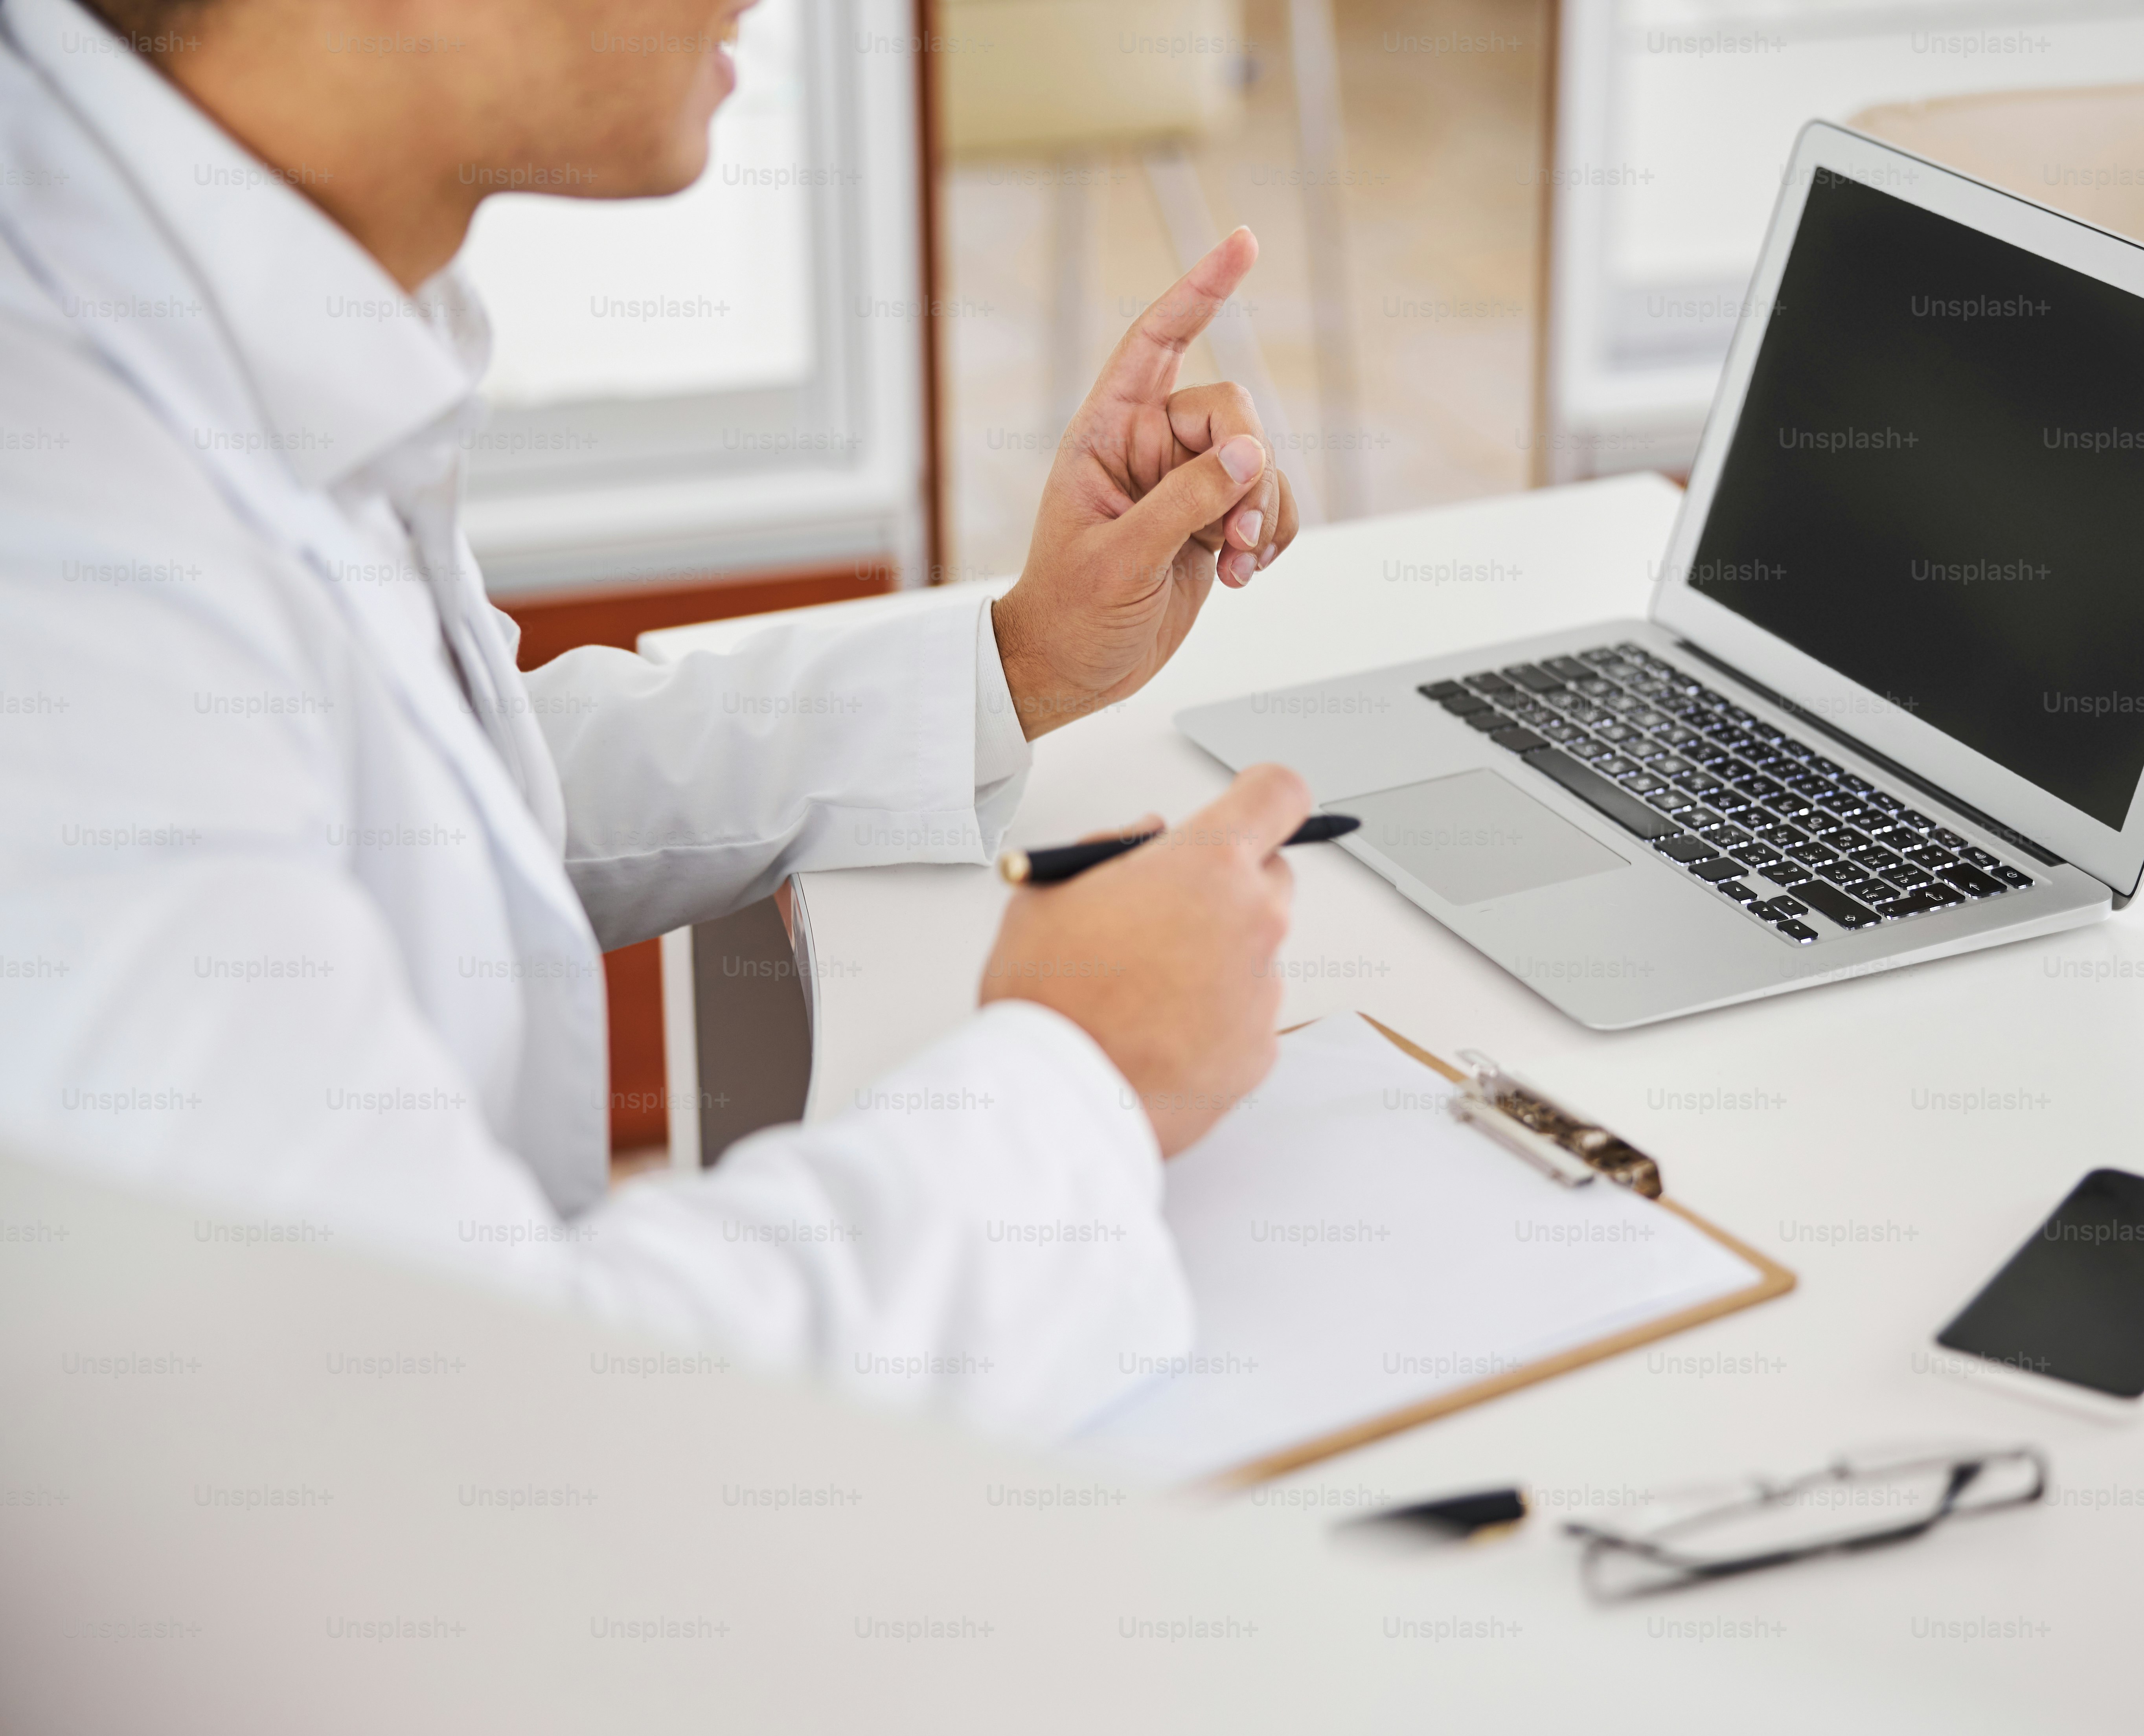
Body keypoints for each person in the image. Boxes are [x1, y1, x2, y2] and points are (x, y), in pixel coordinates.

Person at [0, 0, 1317, 1443]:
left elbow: (446, 790)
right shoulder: (65, 570)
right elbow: (479, 1443)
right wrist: (1081, 1079)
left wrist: (1017, 662)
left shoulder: (210, 299)